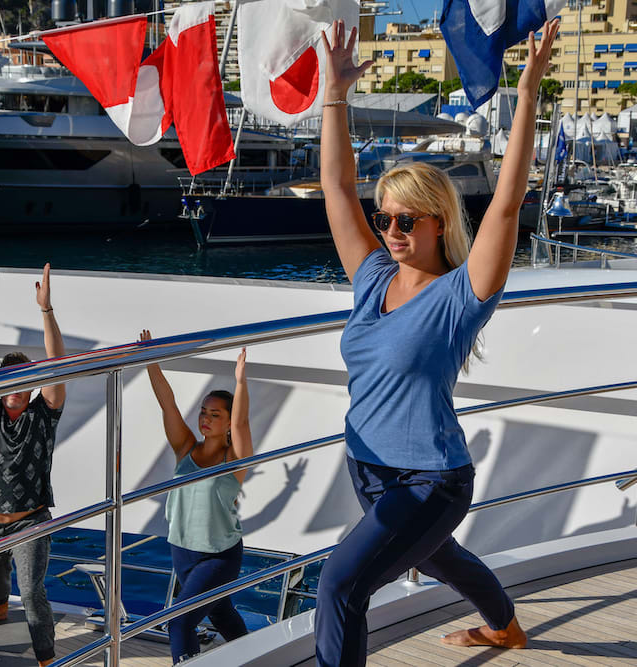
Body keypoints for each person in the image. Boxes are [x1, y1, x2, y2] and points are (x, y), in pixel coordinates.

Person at [312, 18, 559, 666]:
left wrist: (528, 95)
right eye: (384, 216)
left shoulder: (459, 296)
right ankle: (504, 625)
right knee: (440, 554)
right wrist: (333, 93)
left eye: (405, 219)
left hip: (430, 478)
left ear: (438, 221)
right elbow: (337, 188)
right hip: (369, 469)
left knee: (340, 584)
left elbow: (506, 208)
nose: (390, 228)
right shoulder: (372, 276)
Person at [0, 258, 65, 667]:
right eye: (10, 381)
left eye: (25, 381)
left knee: (33, 592)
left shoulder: (45, 412)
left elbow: (59, 366)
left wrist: (46, 309)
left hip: (29, 520)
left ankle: (45, 660)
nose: (17, 389)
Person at [138, 329, 252, 664]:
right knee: (222, 615)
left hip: (219, 556)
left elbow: (243, 423)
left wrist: (241, 382)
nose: (205, 418)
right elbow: (167, 403)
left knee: (180, 620)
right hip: (181, 551)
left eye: (215, 414)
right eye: (204, 411)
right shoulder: (186, 448)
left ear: (227, 423)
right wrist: (151, 362)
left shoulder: (235, 460)